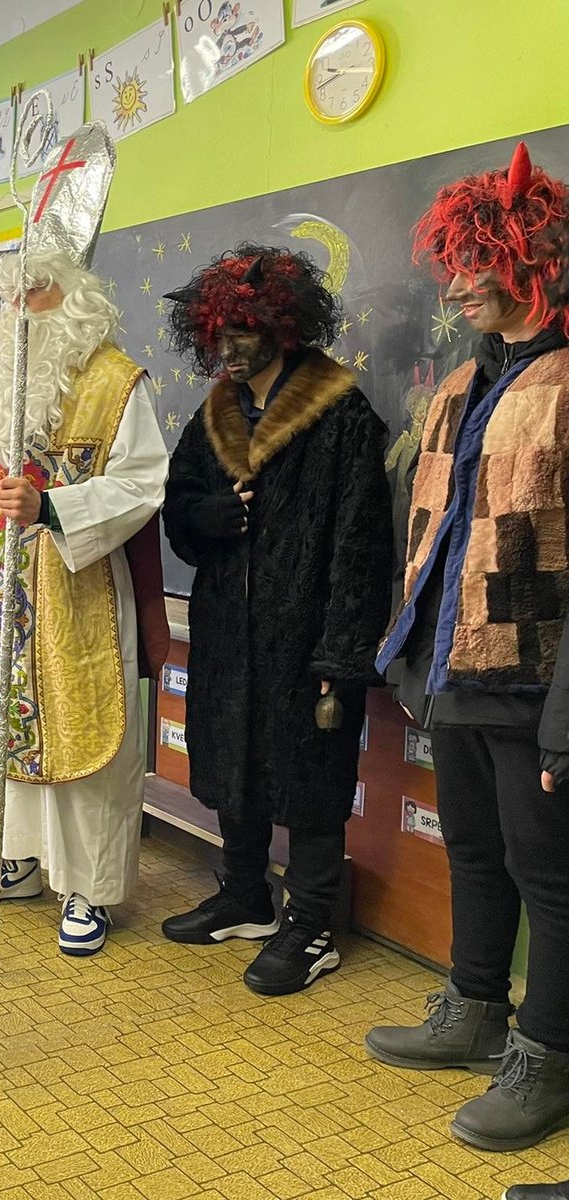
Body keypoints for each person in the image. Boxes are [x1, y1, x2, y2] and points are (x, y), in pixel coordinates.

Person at [367, 143, 569, 1153]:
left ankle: (547, 1054)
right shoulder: (458, 383)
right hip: (454, 669)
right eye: (453, 265)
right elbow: (435, 532)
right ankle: (476, 1005)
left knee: (551, 876)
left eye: (476, 266)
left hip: (537, 679)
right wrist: (410, 658)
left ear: (536, 261)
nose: (454, 287)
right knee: (475, 851)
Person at [0, 123, 169, 958]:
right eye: (10, 296)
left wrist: (51, 507)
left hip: (77, 593)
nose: (18, 310)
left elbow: (143, 483)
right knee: (4, 728)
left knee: (83, 737)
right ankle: (14, 861)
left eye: (33, 292)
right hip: (0, 595)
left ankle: (89, 888)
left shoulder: (115, 383)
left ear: (73, 295)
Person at [158, 244, 393, 996]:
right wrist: (208, 516)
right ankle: (246, 896)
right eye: (219, 332)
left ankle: (313, 924)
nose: (229, 347)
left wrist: (341, 652)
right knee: (234, 761)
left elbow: (362, 542)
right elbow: (177, 511)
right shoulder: (214, 417)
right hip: (228, 631)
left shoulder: (340, 414)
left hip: (307, 637)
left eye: (245, 330)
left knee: (312, 779)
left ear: (283, 328)